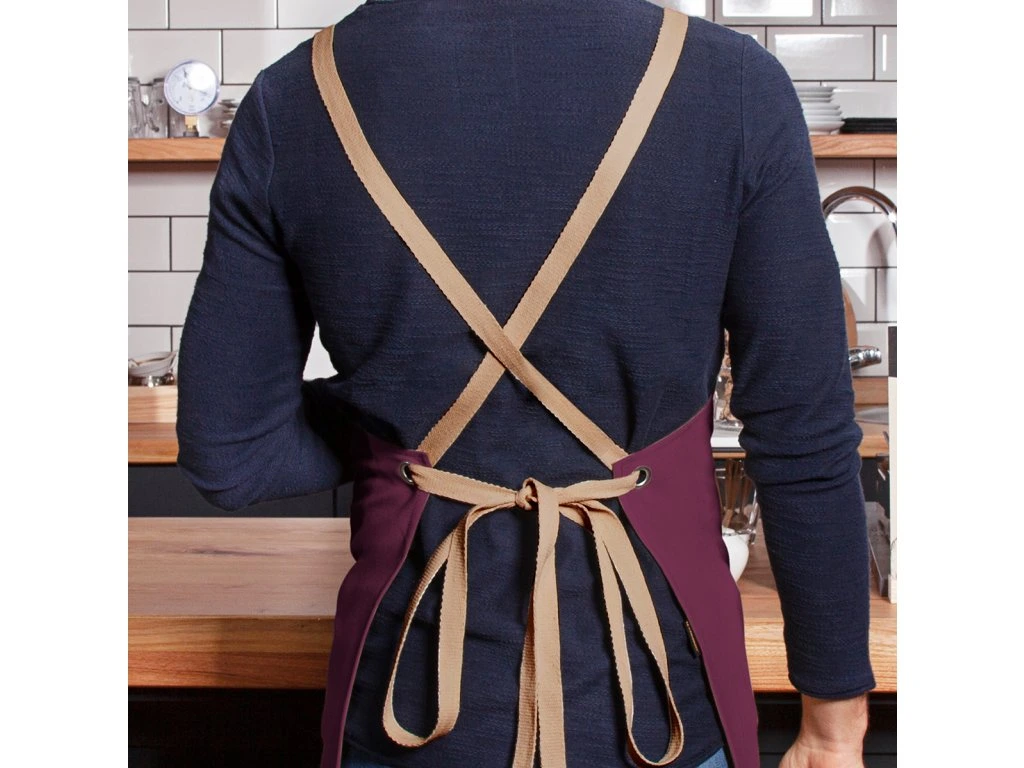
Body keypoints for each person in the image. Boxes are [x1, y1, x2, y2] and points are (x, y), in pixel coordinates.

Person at [175, 1, 876, 767]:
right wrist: (833, 724)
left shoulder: (292, 99)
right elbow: (803, 435)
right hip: (665, 713)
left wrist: (390, 428)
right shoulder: (734, 84)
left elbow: (232, 455)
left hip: (405, 716)